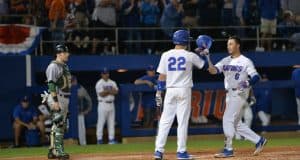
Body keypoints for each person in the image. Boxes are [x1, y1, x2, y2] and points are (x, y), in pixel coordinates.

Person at [205, 36, 267, 158]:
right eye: (228, 44)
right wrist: (207, 57)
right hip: (229, 93)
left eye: (231, 44)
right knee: (237, 124)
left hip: (239, 93)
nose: (229, 46)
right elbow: (212, 71)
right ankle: (259, 140)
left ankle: (228, 149)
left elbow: (256, 77)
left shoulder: (246, 61)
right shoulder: (225, 60)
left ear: (238, 45)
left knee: (227, 119)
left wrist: (247, 83)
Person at [153, 30, 211, 160]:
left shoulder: (166, 55)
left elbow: (162, 76)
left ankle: (158, 151)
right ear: (186, 41)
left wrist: (159, 91)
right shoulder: (190, 55)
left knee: (165, 122)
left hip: (170, 90)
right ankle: (181, 152)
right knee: (182, 122)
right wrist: (204, 53)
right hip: (184, 90)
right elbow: (205, 66)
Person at [42, 44, 71, 159]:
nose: (68, 54)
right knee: (59, 123)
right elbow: (51, 84)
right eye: (65, 52)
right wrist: (55, 101)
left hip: (64, 97)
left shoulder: (64, 66)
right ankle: (59, 151)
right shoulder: (53, 66)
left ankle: (52, 150)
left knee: (61, 125)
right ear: (59, 54)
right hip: (57, 97)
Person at [95, 68, 119, 144]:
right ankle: (99, 139)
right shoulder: (99, 83)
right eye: (104, 73)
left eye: (107, 73)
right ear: (102, 74)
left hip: (111, 104)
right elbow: (101, 94)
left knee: (111, 122)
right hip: (102, 104)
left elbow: (116, 92)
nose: (106, 75)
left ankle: (111, 139)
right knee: (101, 122)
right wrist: (109, 91)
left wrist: (107, 91)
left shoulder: (112, 82)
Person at [71, 76, 92, 145]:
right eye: (71, 81)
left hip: (79, 113)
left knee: (81, 130)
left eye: (73, 80)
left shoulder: (80, 88)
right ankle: (72, 144)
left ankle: (83, 144)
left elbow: (89, 100)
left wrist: (87, 110)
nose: (72, 82)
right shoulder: (65, 88)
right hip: (70, 115)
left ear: (76, 80)